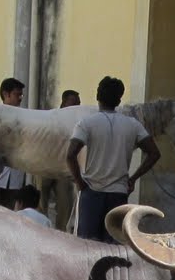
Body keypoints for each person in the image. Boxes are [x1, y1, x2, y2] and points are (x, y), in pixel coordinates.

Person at [66, 75, 160, 242]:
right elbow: (154, 153)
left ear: (97, 97)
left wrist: (79, 182)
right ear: (118, 100)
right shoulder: (133, 124)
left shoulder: (86, 123)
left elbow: (70, 155)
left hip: (91, 192)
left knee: (84, 246)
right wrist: (133, 178)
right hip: (118, 194)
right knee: (113, 246)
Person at [0, 77, 29, 207]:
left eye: (21, 95)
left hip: (15, 176)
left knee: (9, 213)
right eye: (17, 94)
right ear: (6, 94)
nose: (20, 98)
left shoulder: (24, 117)